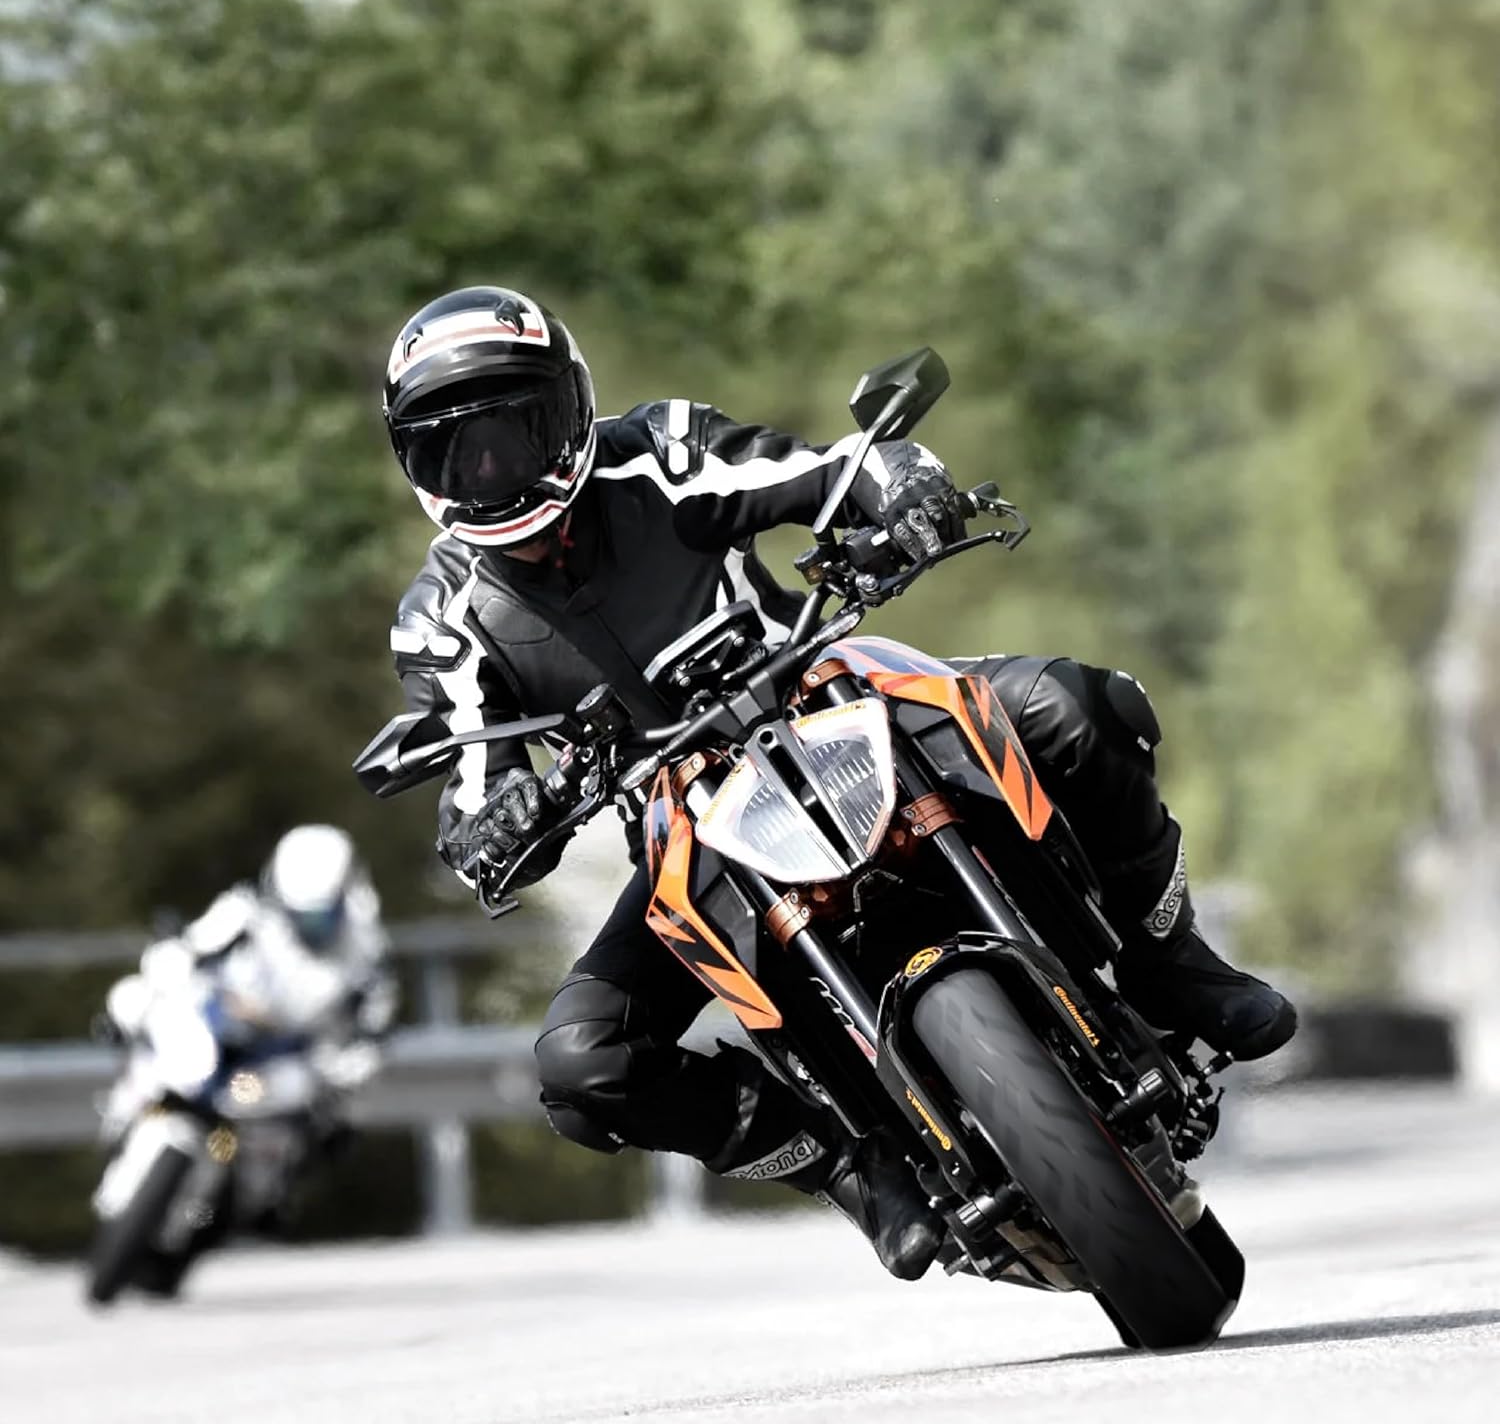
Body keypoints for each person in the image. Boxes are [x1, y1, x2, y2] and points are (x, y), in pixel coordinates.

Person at [378, 284, 1298, 1279]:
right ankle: (849, 1163)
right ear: (417, 463)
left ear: (569, 405)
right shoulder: (444, 618)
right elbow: (474, 785)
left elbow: (835, 468)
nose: (491, 469)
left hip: (828, 694)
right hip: (689, 812)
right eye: (455, 450)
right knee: (582, 1065)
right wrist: (500, 821)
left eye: (513, 431)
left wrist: (904, 497)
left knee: (1080, 708)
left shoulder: (660, 453)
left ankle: (1172, 963)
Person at [101, 824, 396, 1140]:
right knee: (135, 999)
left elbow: (373, 1027)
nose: (310, 926)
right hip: (215, 1023)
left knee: (311, 1114)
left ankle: (244, 1167)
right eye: (301, 915)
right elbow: (191, 946)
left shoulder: (367, 952)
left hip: (276, 1059)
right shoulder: (248, 910)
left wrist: (349, 1063)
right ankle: (131, 1106)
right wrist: (174, 958)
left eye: (320, 916)